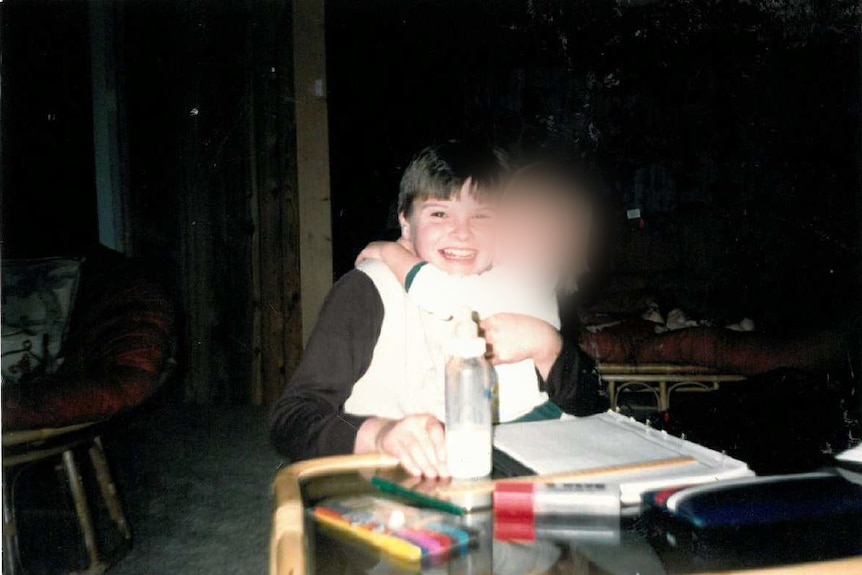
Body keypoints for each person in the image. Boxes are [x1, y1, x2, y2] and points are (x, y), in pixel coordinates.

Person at [269, 142, 607, 477]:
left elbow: (593, 406)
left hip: (490, 485)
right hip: (387, 492)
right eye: (440, 213)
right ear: (405, 222)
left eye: (481, 216)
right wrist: (382, 434)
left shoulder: (514, 289)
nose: (462, 233)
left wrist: (550, 348)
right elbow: (292, 417)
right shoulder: (368, 288)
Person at [356, 160, 602, 423]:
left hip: (530, 416)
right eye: (514, 223)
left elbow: (440, 292)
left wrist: (390, 253)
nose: (520, 239)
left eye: (538, 235)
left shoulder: (524, 280)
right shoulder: (510, 276)